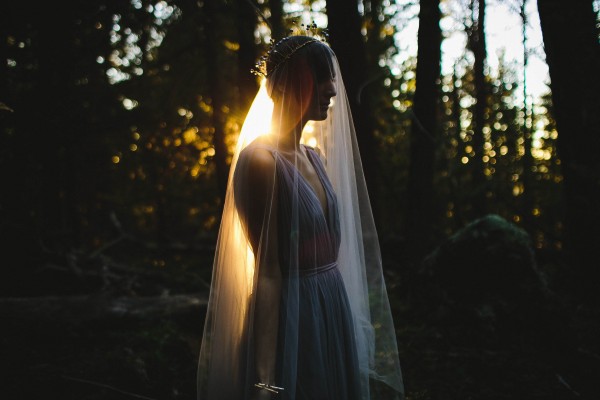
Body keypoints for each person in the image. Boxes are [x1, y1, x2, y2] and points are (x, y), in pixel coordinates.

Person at [197, 34, 404, 400]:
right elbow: (269, 273)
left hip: (331, 305)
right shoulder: (261, 162)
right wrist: (264, 376)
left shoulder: (315, 158)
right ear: (294, 80)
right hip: (295, 318)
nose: (333, 90)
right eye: (323, 77)